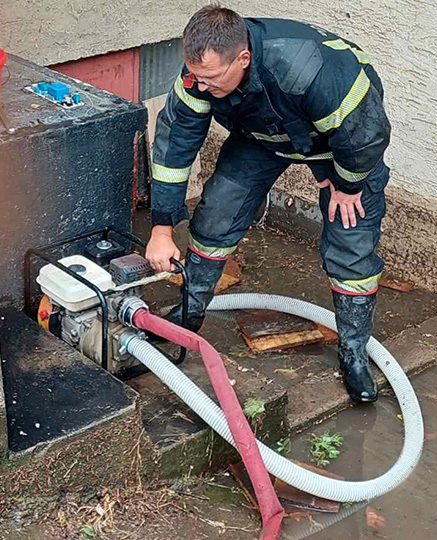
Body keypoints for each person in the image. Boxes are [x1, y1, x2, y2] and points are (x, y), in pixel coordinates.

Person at [146, 4, 391, 403]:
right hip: (261, 136)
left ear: (242, 58)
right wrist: (160, 227)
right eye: (196, 77)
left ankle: (354, 353)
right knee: (216, 216)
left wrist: (347, 183)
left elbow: (364, 134)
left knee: (351, 245)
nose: (200, 87)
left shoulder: (311, 70)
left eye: (211, 79)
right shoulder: (199, 77)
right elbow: (175, 143)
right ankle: (187, 317)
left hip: (340, 147)